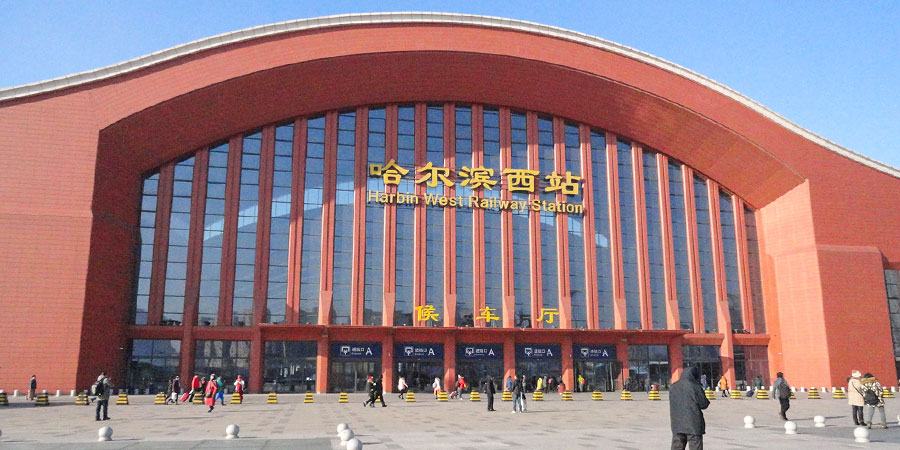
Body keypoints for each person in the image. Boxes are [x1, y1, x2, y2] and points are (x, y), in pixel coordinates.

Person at [669, 367, 710, 450]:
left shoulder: (673, 387)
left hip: (677, 423)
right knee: (695, 446)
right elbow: (704, 404)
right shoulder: (695, 386)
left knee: (677, 446)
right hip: (693, 423)